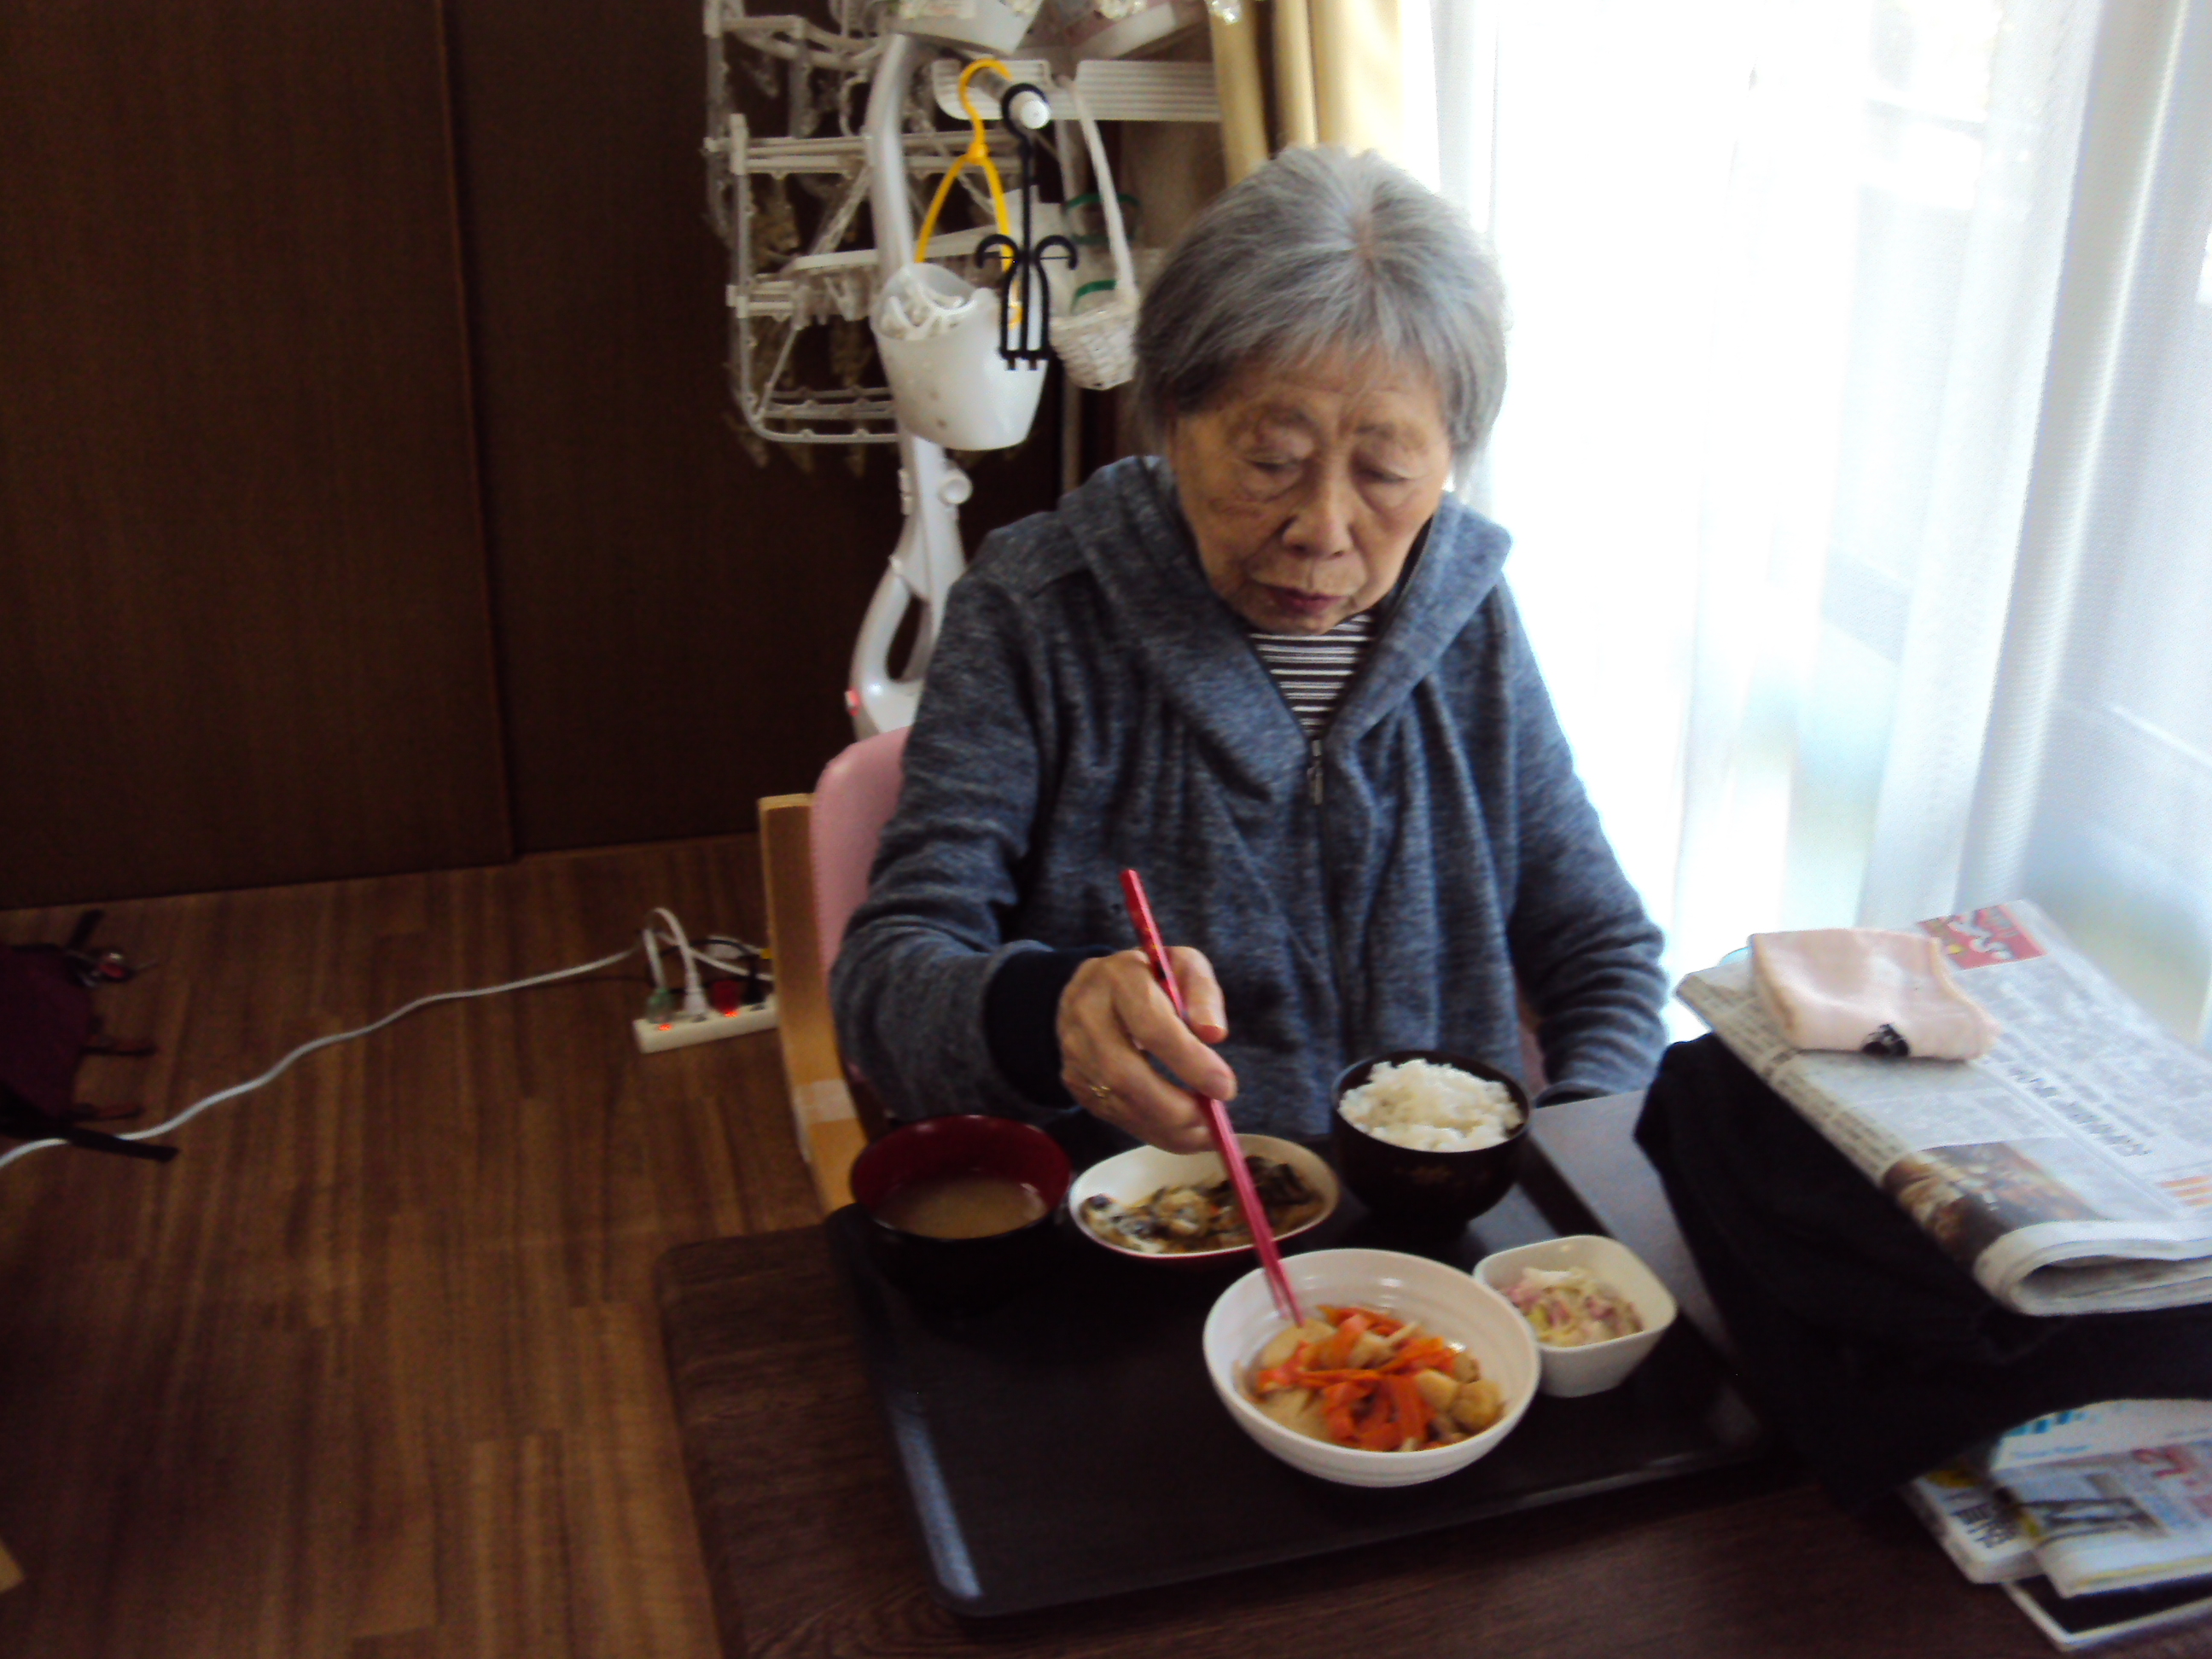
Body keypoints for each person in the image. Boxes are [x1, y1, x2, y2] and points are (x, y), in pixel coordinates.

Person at [831, 146, 1667, 1154]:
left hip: (1440, 1233)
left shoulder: (1469, 614)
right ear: (1171, 419)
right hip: (1151, 1216)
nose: (1324, 529)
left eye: (1387, 473)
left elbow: (1603, 954)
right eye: (1272, 461)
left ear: (1451, 459)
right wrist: (1048, 1014)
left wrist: (1574, 1162)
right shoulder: (1037, 613)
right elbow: (885, 985)